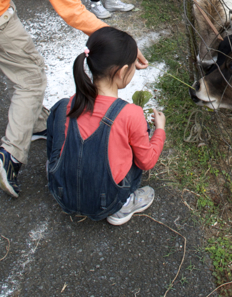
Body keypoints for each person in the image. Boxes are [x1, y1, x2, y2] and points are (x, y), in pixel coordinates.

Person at [0, 0, 149, 199]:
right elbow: (72, 12)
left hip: (4, 1)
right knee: (31, 77)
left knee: (25, 66)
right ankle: (10, 155)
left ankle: (37, 122)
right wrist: (122, 41)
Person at [47, 27, 166, 225]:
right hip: (105, 202)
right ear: (122, 72)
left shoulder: (70, 103)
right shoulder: (131, 114)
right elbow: (147, 162)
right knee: (141, 133)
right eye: (133, 68)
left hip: (62, 195)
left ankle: (59, 173)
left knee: (58, 112)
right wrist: (159, 130)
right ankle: (123, 205)